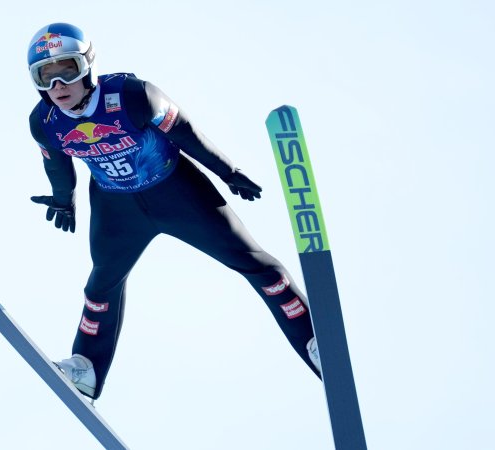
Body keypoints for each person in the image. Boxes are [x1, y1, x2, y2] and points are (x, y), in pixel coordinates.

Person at [27, 23, 321, 400]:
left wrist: (227, 171)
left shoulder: (134, 95)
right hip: (117, 208)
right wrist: (63, 198)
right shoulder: (44, 122)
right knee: (100, 288)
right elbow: (56, 165)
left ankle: (314, 339)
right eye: (45, 76)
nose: (58, 86)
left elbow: (185, 132)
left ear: (87, 64)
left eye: (66, 70)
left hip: (177, 192)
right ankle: (86, 369)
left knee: (254, 263)